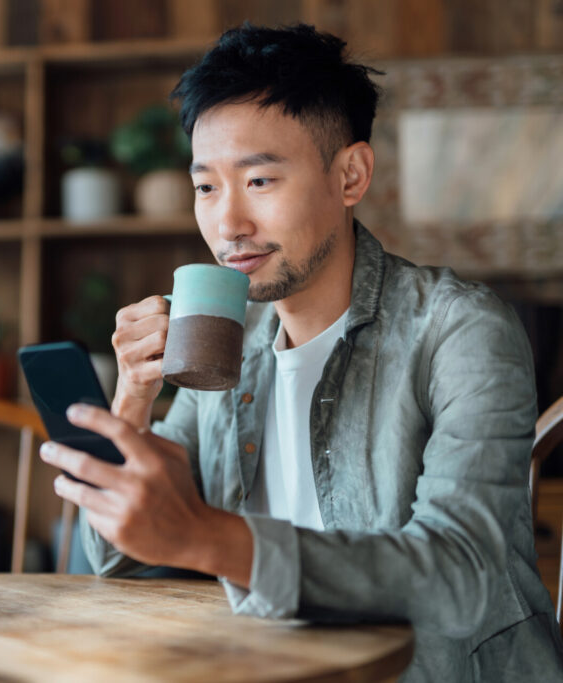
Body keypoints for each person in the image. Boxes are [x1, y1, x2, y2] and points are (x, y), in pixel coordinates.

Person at [37, 23, 563, 680]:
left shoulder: (461, 330)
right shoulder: (229, 341)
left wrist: (207, 535)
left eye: (259, 180)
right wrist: (134, 401)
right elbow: (118, 559)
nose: (228, 224)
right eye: (206, 187)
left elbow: (462, 575)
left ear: (351, 174)